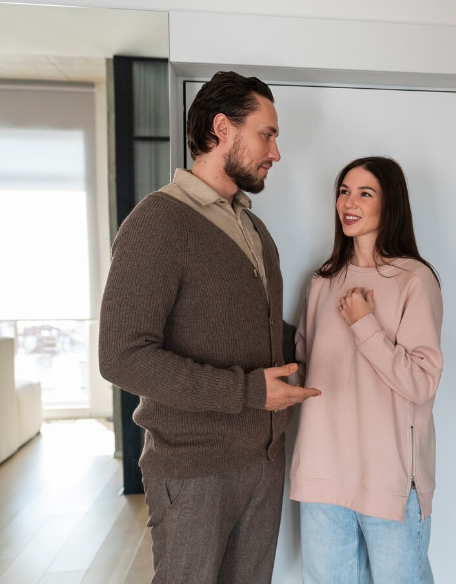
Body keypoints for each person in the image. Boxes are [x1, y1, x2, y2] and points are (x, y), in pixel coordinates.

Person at [99, 71, 320, 584]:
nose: (276, 152)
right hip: (193, 470)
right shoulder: (156, 222)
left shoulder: (253, 227)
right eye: (267, 134)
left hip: (264, 461)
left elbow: (258, 332)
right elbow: (122, 355)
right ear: (223, 128)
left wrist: (334, 332)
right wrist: (245, 392)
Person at [288, 156, 443, 584]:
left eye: (364, 193)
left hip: (389, 478)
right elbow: (304, 366)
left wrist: (364, 324)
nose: (349, 203)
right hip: (322, 474)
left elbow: (422, 381)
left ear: (389, 204)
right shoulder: (322, 281)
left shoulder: (414, 279)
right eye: (343, 191)